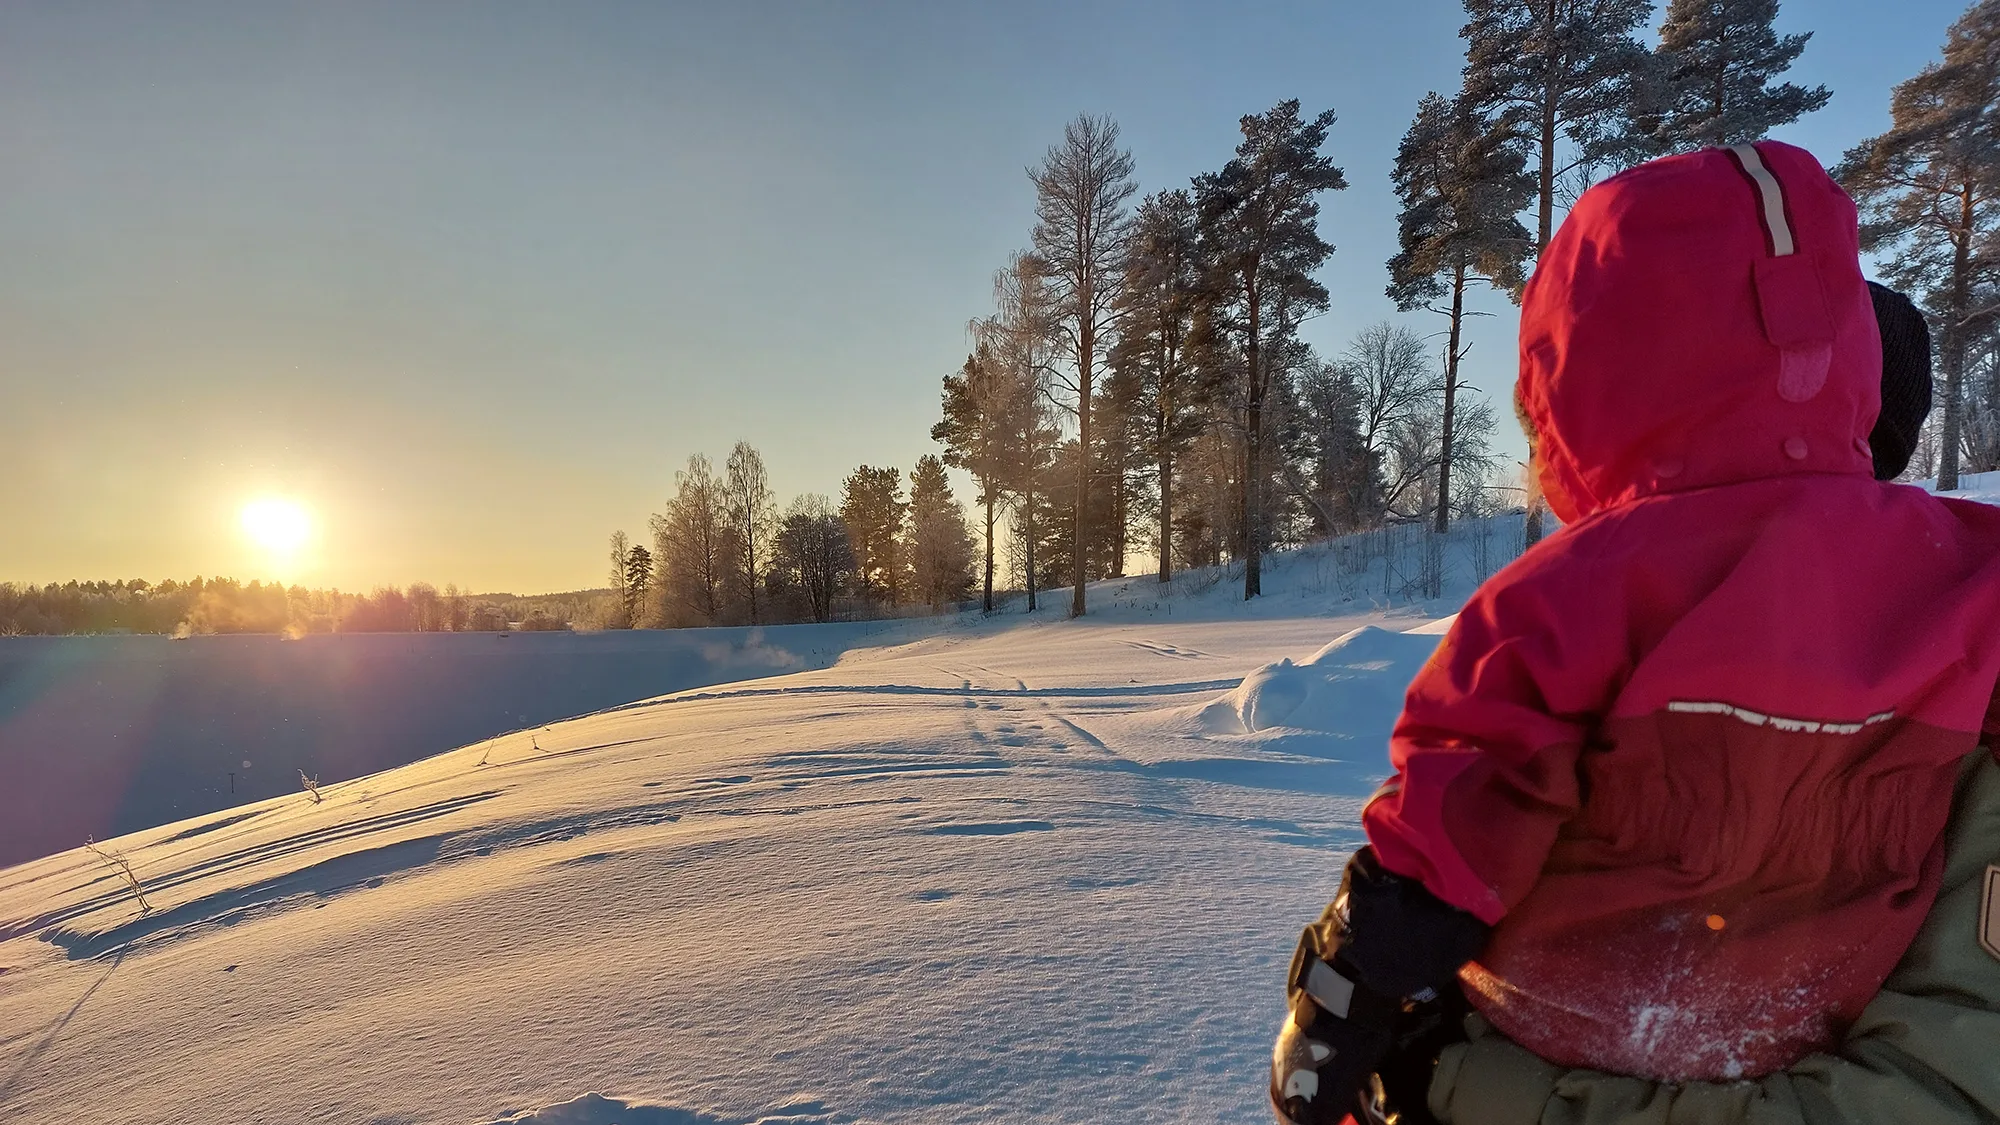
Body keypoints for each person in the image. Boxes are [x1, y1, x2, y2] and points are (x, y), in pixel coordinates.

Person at [1270, 142, 2000, 1125]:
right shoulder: (1961, 566)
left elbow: (1460, 796)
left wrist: (1350, 978)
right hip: (1802, 1019)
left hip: (1549, 1023)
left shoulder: (1575, 589)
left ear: (1580, 374)